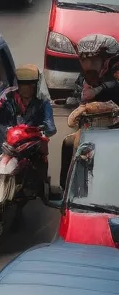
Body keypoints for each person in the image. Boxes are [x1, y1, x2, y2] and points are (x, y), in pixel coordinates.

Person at [61, 34, 119, 186]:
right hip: (89, 129)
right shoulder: (83, 77)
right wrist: (73, 99)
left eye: (94, 60)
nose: (89, 65)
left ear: (107, 61)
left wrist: (100, 91)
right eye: (85, 60)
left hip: (114, 130)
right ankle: (64, 188)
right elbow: (77, 92)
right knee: (68, 144)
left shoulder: (116, 78)